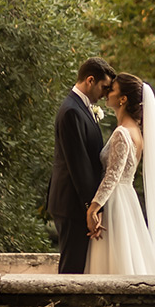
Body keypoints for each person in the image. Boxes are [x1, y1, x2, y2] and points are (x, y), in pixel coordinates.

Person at [85, 72, 155, 276]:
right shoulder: (135, 131)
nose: (107, 92)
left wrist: (93, 209)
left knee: (115, 263)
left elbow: (112, 177)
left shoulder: (122, 133)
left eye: (113, 89)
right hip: (127, 199)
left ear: (123, 99)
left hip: (116, 202)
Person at [47, 57, 116, 274]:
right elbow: (79, 164)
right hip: (72, 203)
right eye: (104, 87)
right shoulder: (71, 111)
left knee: (79, 267)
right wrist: (92, 207)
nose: (106, 93)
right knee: (71, 268)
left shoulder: (83, 109)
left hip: (78, 203)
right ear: (90, 80)